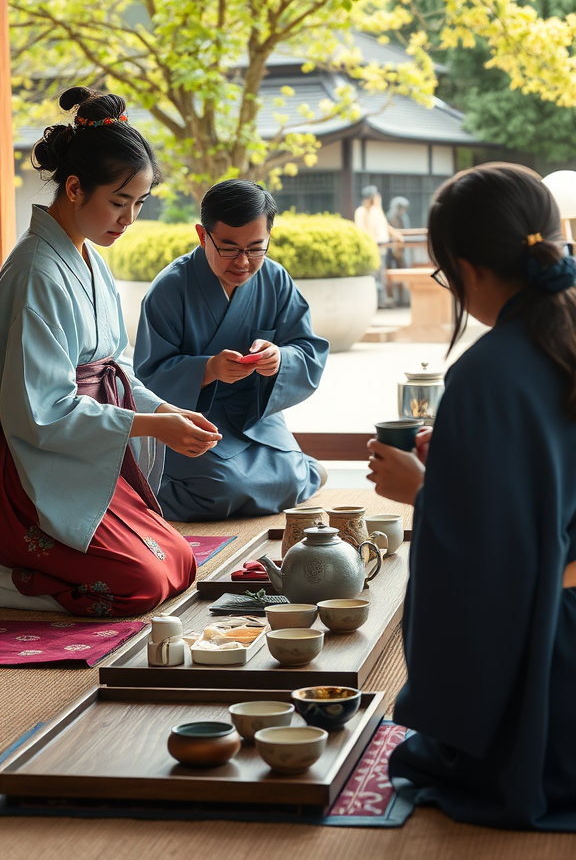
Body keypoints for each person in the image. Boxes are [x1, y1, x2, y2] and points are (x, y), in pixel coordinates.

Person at [367, 163, 576, 830]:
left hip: (557, 661)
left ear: (467, 268)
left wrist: (423, 490)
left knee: (432, 759)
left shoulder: (489, 374)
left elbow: (490, 561)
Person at [0, 87, 221, 617]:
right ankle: (14, 574)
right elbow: (40, 414)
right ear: (74, 187)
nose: (128, 219)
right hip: (34, 459)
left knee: (180, 564)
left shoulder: (90, 258)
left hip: (86, 445)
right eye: (119, 202)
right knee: (140, 585)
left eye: (138, 204)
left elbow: (117, 369)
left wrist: (164, 411)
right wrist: (151, 428)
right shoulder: (36, 272)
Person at [134, 179, 329, 521]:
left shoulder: (275, 279)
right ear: (202, 235)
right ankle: (144, 485)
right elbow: (147, 376)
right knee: (220, 489)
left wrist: (279, 359)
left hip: (255, 413)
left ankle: (296, 470)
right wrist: (208, 369)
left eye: (256, 248)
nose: (243, 261)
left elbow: (308, 348)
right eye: (229, 248)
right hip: (195, 420)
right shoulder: (170, 288)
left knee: (290, 479)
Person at [354, 186, 403, 309]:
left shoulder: (377, 211)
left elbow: (385, 225)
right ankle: (376, 303)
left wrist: (396, 235)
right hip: (372, 249)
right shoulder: (362, 212)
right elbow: (362, 231)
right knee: (373, 277)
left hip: (382, 249)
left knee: (381, 276)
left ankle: (381, 301)